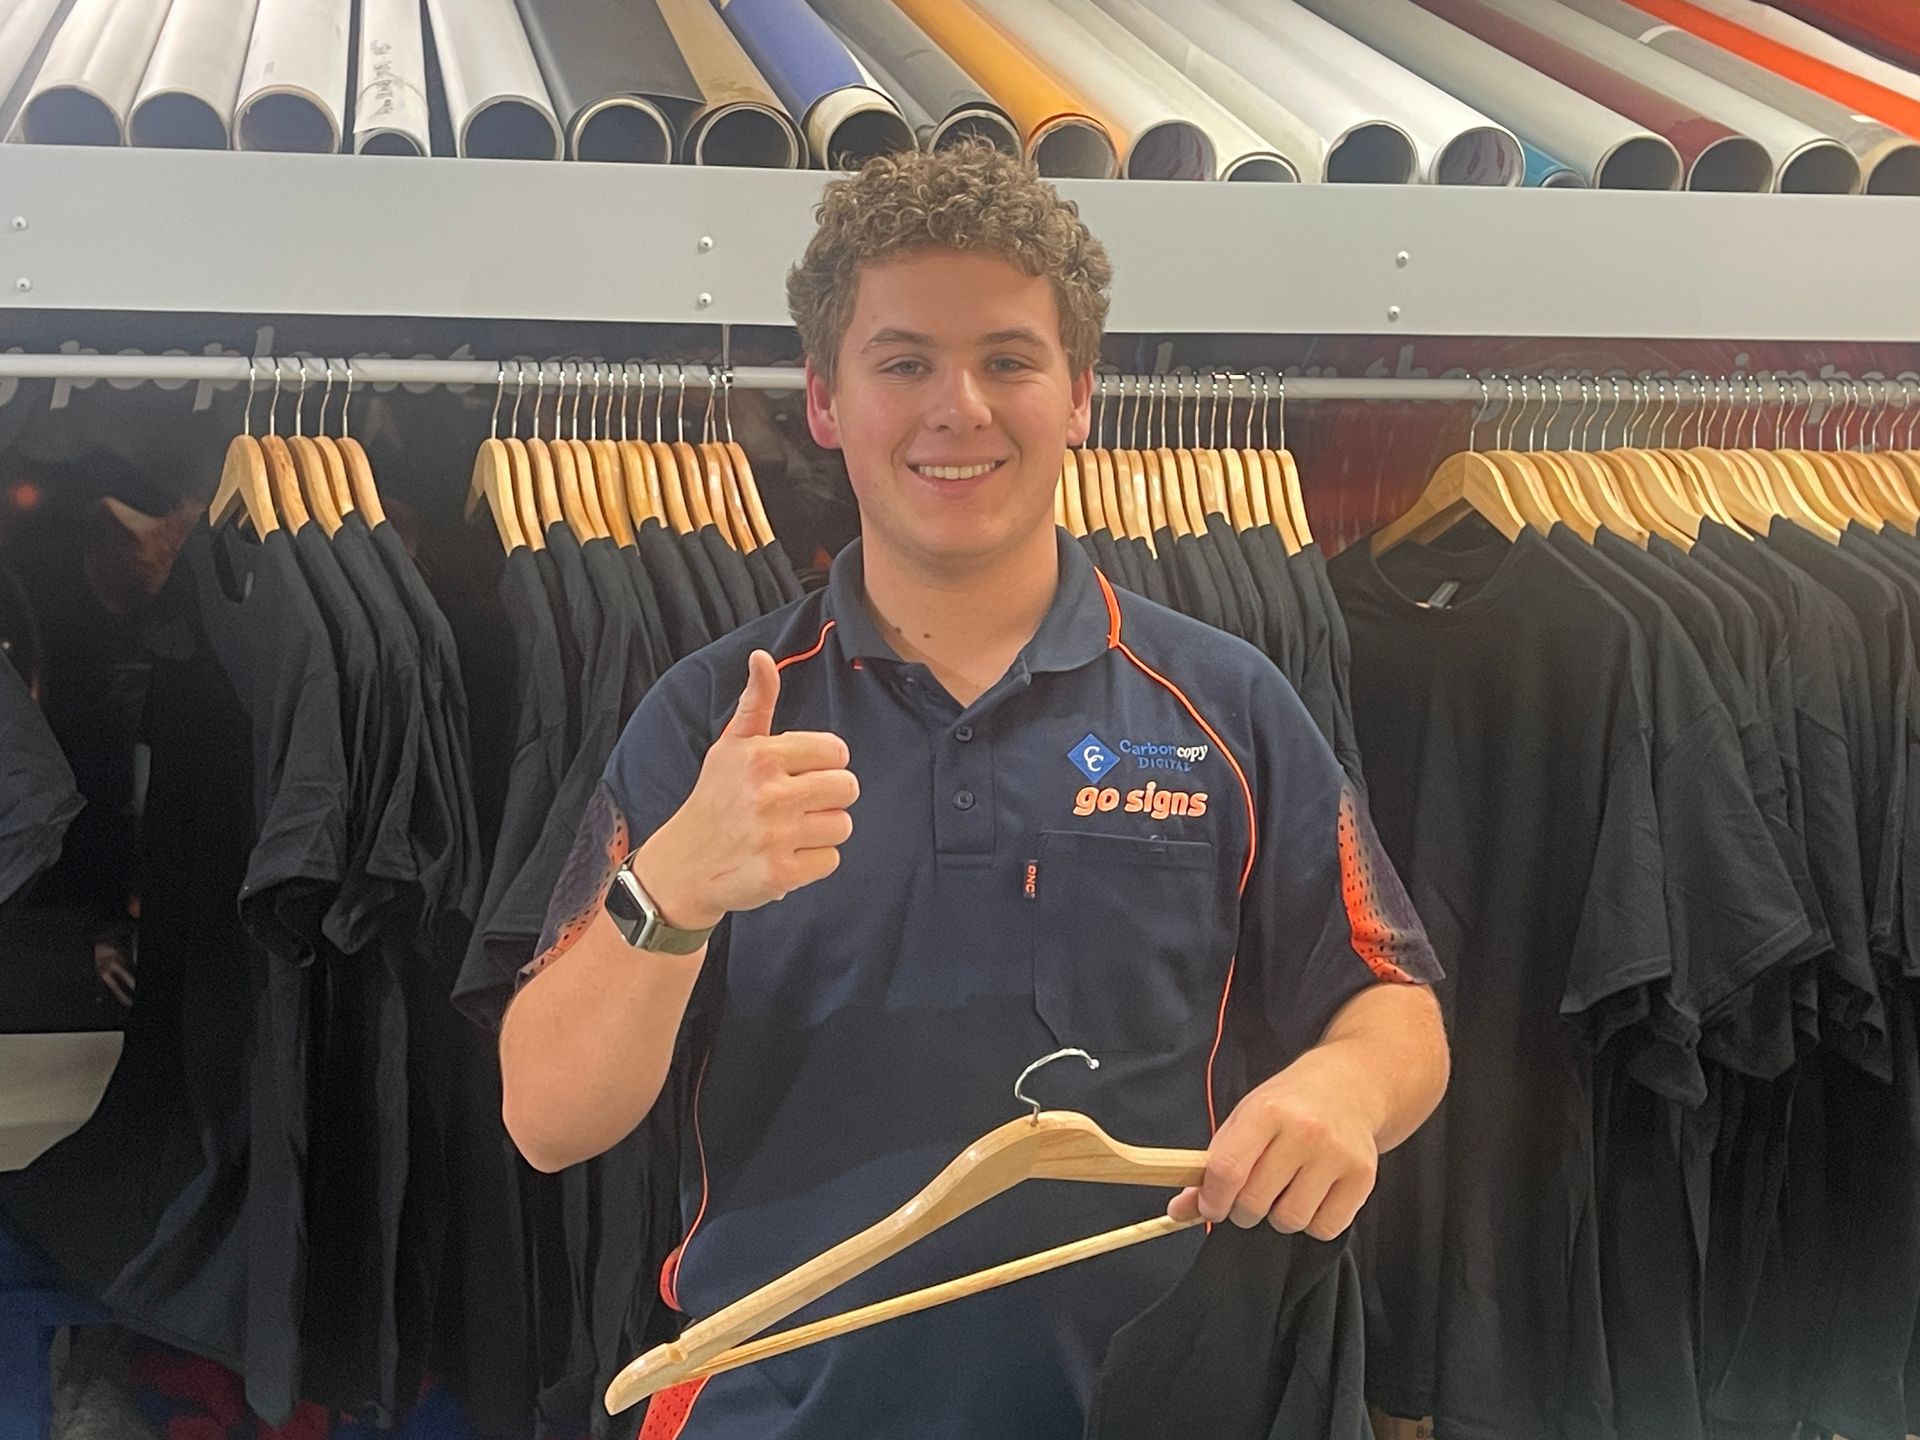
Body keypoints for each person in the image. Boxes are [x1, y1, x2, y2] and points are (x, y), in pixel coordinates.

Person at [499, 140, 1449, 1439]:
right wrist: (670, 888)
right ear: (826, 401)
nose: (959, 409)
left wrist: (1346, 1093)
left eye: (1008, 359)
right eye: (904, 363)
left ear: (1079, 396)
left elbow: (1396, 1011)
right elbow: (548, 1119)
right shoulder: (715, 715)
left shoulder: (1228, 707)